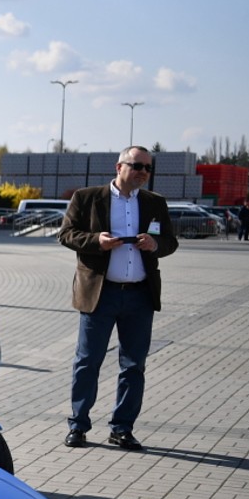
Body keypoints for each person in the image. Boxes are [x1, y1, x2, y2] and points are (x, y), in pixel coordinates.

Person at [58, 145, 179, 451]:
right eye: (138, 166)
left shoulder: (154, 202)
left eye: (148, 168)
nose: (143, 173)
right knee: (87, 363)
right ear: (119, 166)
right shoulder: (87, 198)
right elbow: (66, 234)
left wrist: (155, 244)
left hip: (139, 295)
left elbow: (171, 242)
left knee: (133, 365)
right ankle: (78, 425)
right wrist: (96, 241)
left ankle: (122, 428)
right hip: (100, 294)